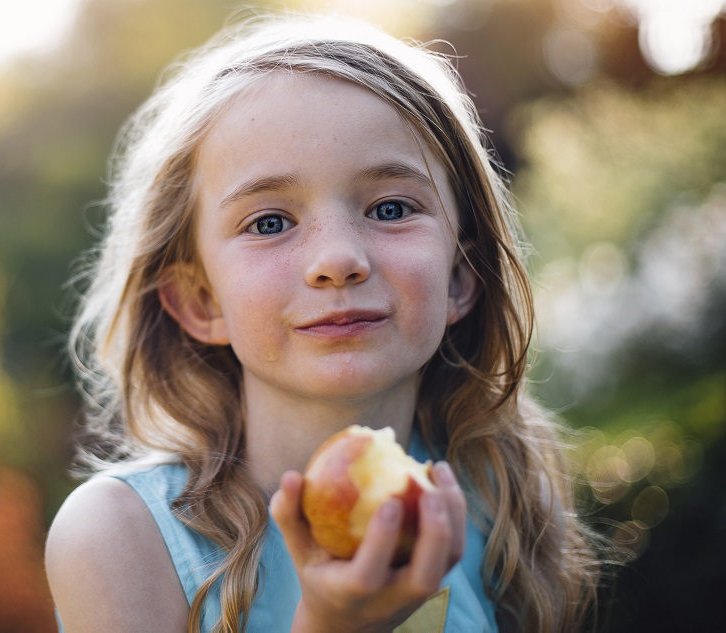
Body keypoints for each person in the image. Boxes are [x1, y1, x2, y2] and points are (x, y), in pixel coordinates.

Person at [45, 11, 601, 633]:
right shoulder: (121, 537)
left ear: (460, 277)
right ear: (202, 303)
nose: (338, 259)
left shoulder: (499, 501)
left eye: (390, 207)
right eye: (270, 222)